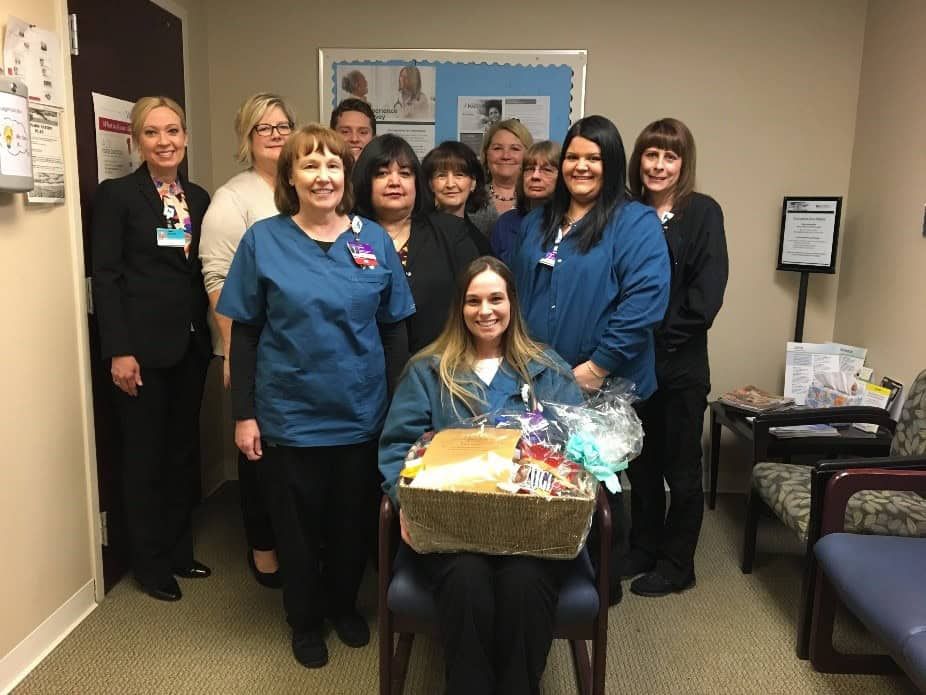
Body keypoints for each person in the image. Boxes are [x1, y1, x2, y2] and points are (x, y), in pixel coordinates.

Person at [217, 125, 415, 669]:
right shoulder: (265, 240)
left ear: (345, 176)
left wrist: (399, 406)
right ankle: (304, 620)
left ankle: (343, 607)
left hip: (360, 413)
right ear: (291, 178)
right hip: (289, 416)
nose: (323, 174)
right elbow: (248, 332)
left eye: (332, 164)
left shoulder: (371, 240)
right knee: (297, 529)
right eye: (309, 165)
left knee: (350, 522)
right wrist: (245, 415)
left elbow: (395, 327)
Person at [379, 256, 583, 694]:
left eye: (496, 298)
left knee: (525, 583)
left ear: (512, 303)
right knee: (467, 580)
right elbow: (398, 447)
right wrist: (406, 503)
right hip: (451, 528)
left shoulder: (548, 369)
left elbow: (576, 452)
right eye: (473, 301)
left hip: (533, 530)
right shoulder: (428, 370)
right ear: (459, 308)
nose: (485, 310)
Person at [511, 114, 671, 602]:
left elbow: (645, 299)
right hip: (540, 376)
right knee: (545, 475)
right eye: (573, 158)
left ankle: (603, 579)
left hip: (603, 379)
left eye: (593, 158)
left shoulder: (634, 221)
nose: (580, 167)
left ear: (611, 163)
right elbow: (517, 292)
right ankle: (548, 568)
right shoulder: (540, 220)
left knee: (602, 481)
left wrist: (596, 367)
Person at [91, 96, 212, 602]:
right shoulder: (117, 196)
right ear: (134, 141)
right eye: (152, 133)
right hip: (138, 352)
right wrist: (119, 350)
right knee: (144, 458)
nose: (165, 142)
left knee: (183, 453)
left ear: (185, 137)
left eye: (173, 131)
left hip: (189, 344)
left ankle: (179, 551)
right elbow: (108, 276)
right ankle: (149, 563)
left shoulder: (199, 197)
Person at [622, 117, 728, 597]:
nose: (659, 165)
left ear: (683, 164)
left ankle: (677, 563)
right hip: (632, 365)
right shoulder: (627, 213)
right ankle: (643, 548)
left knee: (681, 469)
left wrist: (654, 337)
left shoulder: (702, 213)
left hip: (680, 366)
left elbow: (705, 298)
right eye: (651, 154)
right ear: (638, 159)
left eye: (669, 156)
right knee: (639, 464)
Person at [200, 92, 296, 589]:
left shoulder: (305, 187)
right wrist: (236, 354)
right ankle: (263, 549)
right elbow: (218, 281)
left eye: (283, 126)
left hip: (296, 352)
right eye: (265, 128)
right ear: (247, 137)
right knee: (259, 455)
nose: (277, 135)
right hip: (250, 346)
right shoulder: (233, 198)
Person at [352, 134, 480, 386]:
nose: (394, 182)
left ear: (417, 182)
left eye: (405, 173)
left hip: (443, 375)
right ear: (365, 182)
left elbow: (478, 297)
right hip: (363, 377)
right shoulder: (348, 235)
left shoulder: (449, 231)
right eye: (381, 173)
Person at [490, 140, 560, 264]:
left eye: (547, 170)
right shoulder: (505, 223)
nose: (535, 176)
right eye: (529, 169)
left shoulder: (568, 224)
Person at [421, 141, 493, 256]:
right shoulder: (416, 230)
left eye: (459, 175)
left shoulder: (479, 243)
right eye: (441, 176)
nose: (450, 184)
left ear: (473, 183)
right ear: (431, 184)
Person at [476, 119, 534, 232]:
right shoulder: (470, 199)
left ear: (528, 155)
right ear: (485, 153)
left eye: (515, 149)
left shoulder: (538, 200)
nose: (506, 156)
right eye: (497, 148)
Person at [330, 98, 376, 162]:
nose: (354, 139)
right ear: (331, 137)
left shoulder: (387, 171)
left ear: (373, 138)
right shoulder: (322, 171)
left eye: (363, 132)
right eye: (345, 132)